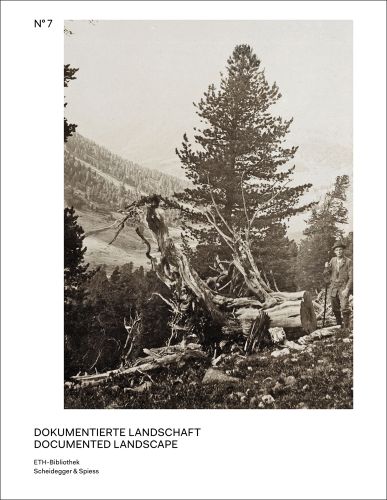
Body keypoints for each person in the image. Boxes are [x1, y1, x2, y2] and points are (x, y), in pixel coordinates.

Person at [324, 240, 353, 329]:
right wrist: (326, 267)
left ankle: (346, 328)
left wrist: (347, 289)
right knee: (334, 307)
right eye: (337, 250)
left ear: (343, 250)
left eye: (340, 249)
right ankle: (339, 325)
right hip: (333, 287)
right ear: (334, 251)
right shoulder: (332, 260)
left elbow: (351, 277)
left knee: (344, 307)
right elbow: (327, 273)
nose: (339, 251)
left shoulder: (348, 261)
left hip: (343, 286)